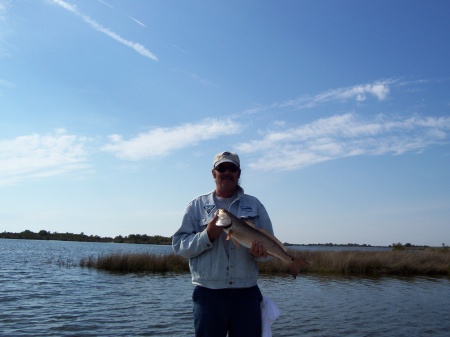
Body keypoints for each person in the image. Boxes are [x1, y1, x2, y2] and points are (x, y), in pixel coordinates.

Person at [172, 151, 274, 337]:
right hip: (208, 295)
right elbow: (180, 246)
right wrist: (208, 235)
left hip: (246, 294)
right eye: (222, 168)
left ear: (239, 173)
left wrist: (258, 254)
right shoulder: (196, 206)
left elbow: (268, 252)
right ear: (214, 173)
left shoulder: (255, 205)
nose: (227, 172)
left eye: (232, 168)